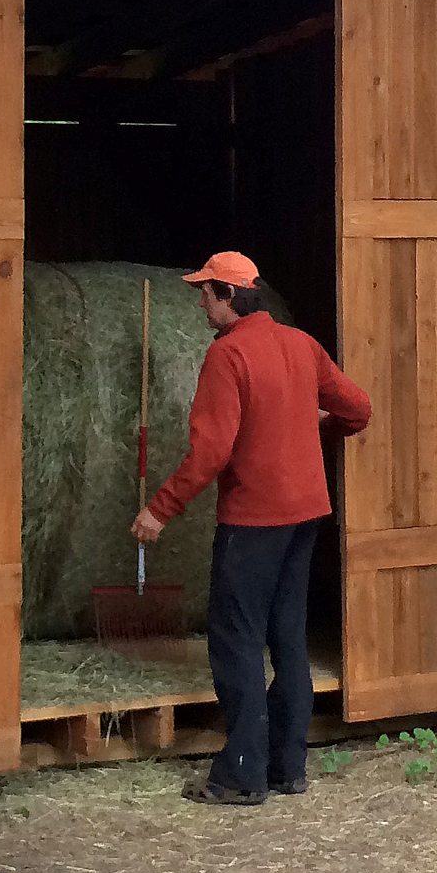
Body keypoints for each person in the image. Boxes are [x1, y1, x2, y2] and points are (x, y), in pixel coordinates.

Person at [130, 252, 370, 805]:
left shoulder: (228, 354)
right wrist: (323, 427)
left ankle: (241, 774)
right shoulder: (301, 344)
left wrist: (160, 509)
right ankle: (288, 767)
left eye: (205, 293)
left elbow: (210, 452)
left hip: (254, 521)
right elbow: (358, 409)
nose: (199, 302)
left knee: (236, 641)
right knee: (287, 636)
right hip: (307, 513)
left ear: (229, 296)